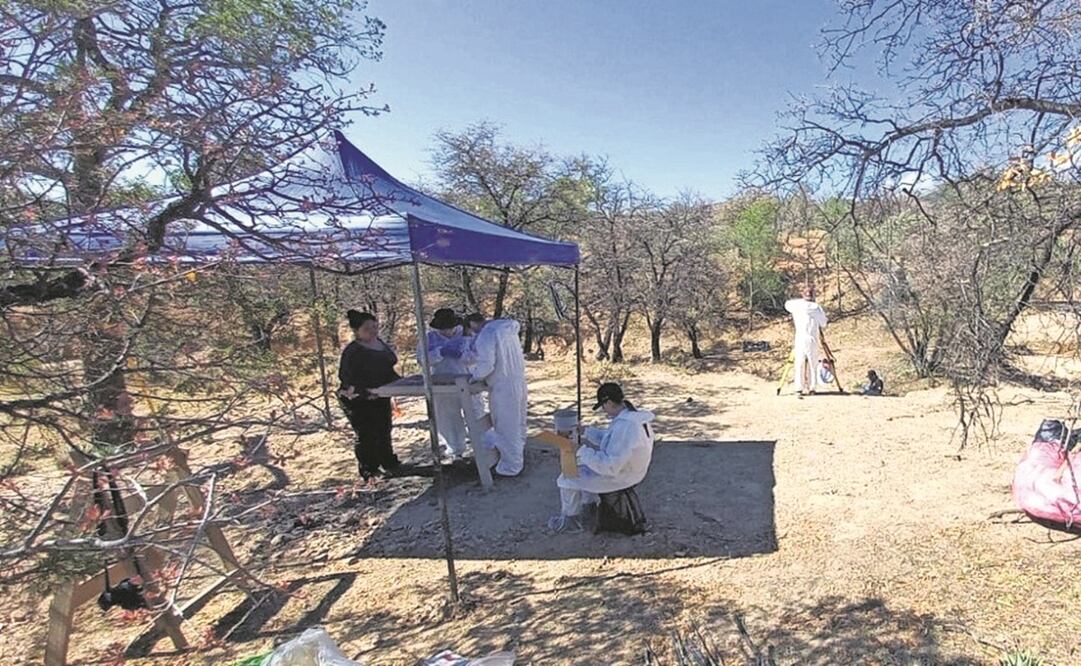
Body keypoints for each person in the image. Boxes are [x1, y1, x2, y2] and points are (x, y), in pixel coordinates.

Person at [548, 382, 655, 534]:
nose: (603, 411)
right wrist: (586, 431)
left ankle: (571, 522)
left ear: (609, 403)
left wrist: (581, 451)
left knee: (567, 477)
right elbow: (610, 439)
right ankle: (590, 509)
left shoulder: (626, 426)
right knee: (584, 466)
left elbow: (609, 465)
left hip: (622, 474)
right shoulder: (632, 417)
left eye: (603, 406)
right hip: (632, 469)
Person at [338, 310, 401, 480]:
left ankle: (389, 462)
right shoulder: (353, 351)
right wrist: (364, 393)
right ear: (357, 331)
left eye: (374, 326)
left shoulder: (380, 343)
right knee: (367, 434)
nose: (373, 331)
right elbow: (346, 377)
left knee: (384, 429)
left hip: (381, 394)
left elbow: (388, 367)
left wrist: (398, 384)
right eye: (367, 328)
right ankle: (369, 469)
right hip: (357, 398)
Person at [467, 314, 528, 476]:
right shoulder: (506, 330)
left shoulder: (487, 335)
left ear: (473, 325)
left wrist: (473, 375)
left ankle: (511, 466)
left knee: (506, 427)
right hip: (518, 381)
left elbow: (486, 365)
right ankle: (519, 454)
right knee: (518, 423)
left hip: (502, 385)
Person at [417, 308, 470, 458]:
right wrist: (439, 353)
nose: (447, 331)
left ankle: (482, 444)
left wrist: (463, 355)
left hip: (466, 380)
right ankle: (455, 448)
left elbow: (476, 355)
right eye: (443, 329)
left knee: (474, 412)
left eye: (449, 328)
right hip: (441, 382)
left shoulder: (465, 334)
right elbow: (422, 360)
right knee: (447, 416)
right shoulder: (428, 338)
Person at [784, 285, 829, 396]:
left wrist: (802, 299)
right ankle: (812, 387)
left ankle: (798, 388)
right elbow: (824, 323)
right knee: (812, 364)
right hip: (812, 338)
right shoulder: (816, 307)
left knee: (799, 363)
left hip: (800, 338)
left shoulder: (796, 305)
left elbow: (787, 304)